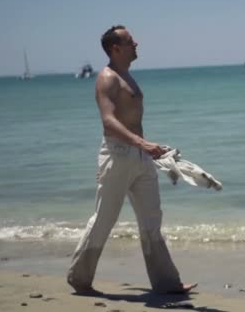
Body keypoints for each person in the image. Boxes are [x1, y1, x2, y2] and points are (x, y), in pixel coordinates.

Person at [67, 25, 196, 295]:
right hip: (117, 155)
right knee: (104, 219)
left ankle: (167, 283)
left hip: (140, 156)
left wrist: (147, 147)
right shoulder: (107, 77)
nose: (136, 43)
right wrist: (142, 143)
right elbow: (109, 121)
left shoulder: (127, 76)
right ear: (116, 48)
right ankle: (79, 278)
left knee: (152, 219)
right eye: (129, 41)